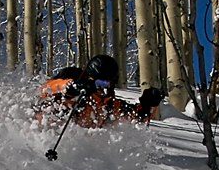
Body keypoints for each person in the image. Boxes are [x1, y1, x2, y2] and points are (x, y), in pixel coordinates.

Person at [34, 54, 164, 129]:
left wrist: (149, 105)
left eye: (107, 84)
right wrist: (72, 87)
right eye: (100, 83)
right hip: (42, 136)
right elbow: (48, 88)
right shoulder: (72, 86)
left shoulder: (106, 104)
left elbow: (137, 116)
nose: (103, 88)